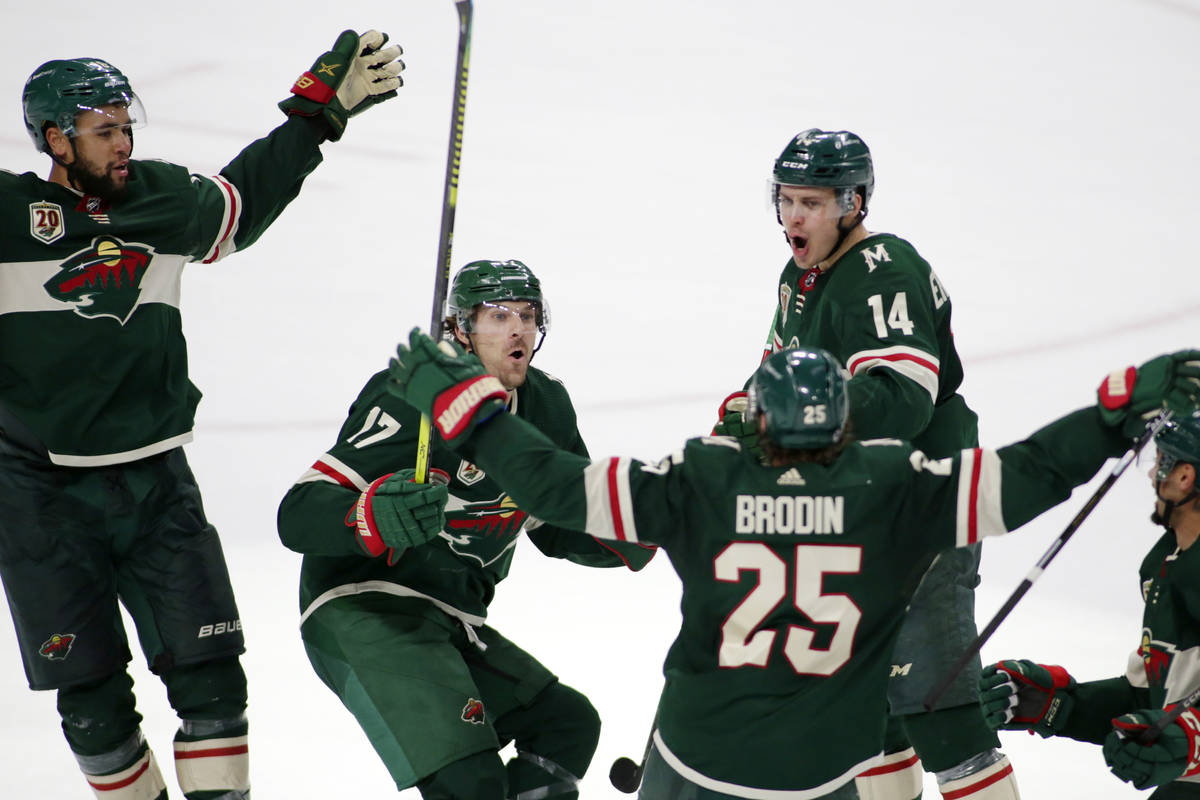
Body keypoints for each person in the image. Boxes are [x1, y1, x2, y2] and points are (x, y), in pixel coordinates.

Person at [386, 329, 1200, 799]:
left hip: (696, 758)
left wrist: (471, 408)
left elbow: (557, 487)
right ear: (843, 424)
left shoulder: (704, 479)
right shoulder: (891, 487)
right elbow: (1029, 476)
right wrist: (1111, 413)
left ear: (761, 422)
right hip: (822, 771)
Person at [0, 31, 403, 800]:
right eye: (103, 130)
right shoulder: (6, 214)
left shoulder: (161, 198)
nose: (122, 144)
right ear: (54, 138)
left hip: (156, 485)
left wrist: (314, 120)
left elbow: (241, 204)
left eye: (127, 127)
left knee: (215, 686)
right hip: (37, 497)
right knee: (91, 708)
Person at [276, 260, 655, 800]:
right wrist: (373, 515)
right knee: (469, 784)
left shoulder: (546, 408)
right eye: (498, 316)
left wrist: (646, 524)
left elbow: (560, 525)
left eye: (527, 315)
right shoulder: (415, 397)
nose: (518, 329)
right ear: (459, 327)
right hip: (365, 607)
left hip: (451, 617)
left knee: (566, 726)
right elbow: (297, 511)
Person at [714, 128, 1000, 799]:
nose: (792, 216)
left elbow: (903, 399)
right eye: (785, 199)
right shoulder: (800, 276)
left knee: (943, 718)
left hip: (922, 503)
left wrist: (788, 415)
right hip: (858, 513)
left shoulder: (884, 269)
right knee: (869, 718)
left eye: (810, 202)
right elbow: (774, 381)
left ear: (853, 201)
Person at [979, 403, 1200, 798]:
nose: (1152, 473)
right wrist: (1057, 705)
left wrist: (1192, 741)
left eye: (1162, 460)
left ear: (1185, 476)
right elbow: (1149, 697)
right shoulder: (1163, 566)